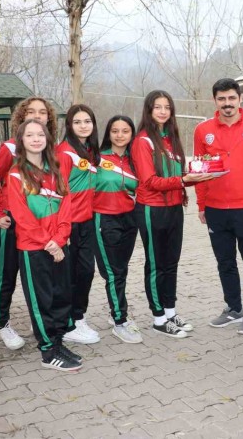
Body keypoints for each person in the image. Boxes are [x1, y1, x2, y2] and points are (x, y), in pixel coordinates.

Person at [131, 90, 214, 338]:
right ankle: (158, 318)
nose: (163, 111)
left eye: (167, 107)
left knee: (171, 263)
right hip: (152, 209)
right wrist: (183, 180)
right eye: (158, 107)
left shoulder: (171, 139)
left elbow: (178, 177)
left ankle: (170, 312)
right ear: (149, 110)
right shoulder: (143, 141)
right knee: (155, 264)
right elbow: (149, 182)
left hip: (175, 208)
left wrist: (196, 176)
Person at [194, 78, 243, 334]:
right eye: (222, 99)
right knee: (225, 262)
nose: (227, 103)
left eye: (231, 98)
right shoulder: (203, 130)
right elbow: (200, 169)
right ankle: (233, 309)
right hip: (215, 210)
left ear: (240, 99)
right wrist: (201, 205)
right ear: (214, 100)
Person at [0, 96, 58, 351]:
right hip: (12, 220)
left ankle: (46, 322)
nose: (37, 116)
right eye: (31, 112)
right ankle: (2, 321)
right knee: (7, 271)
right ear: (21, 117)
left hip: (41, 222)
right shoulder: (10, 148)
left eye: (42, 112)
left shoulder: (49, 148)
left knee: (43, 273)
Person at [7, 119, 80, 371]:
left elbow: (67, 209)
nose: (36, 139)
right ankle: (48, 351)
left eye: (40, 134)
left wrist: (60, 240)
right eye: (30, 135)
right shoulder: (16, 175)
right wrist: (49, 243)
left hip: (58, 245)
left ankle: (58, 342)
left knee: (61, 296)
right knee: (42, 300)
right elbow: (22, 217)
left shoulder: (56, 171)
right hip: (34, 249)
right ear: (21, 140)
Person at [94, 115, 141, 343]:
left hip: (130, 219)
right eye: (115, 131)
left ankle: (117, 311)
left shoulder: (136, 160)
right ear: (108, 133)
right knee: (112, 272)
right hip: (104, 220)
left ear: (132, 134)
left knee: (121, 270)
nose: (120, 135)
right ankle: (120, 320)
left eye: (125, 131)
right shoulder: (96, 158)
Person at [56, 104, 100, 345]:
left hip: (87, 222)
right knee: (70, 275)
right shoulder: (64, 152)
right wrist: (62, 226)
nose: (83, 126)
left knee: (86, 272)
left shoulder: (90, 151)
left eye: (87, 121)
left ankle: (78, 317)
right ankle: (67, 323)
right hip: (69, 223)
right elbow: (59, 190)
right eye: (78, 122)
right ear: (69, 125)